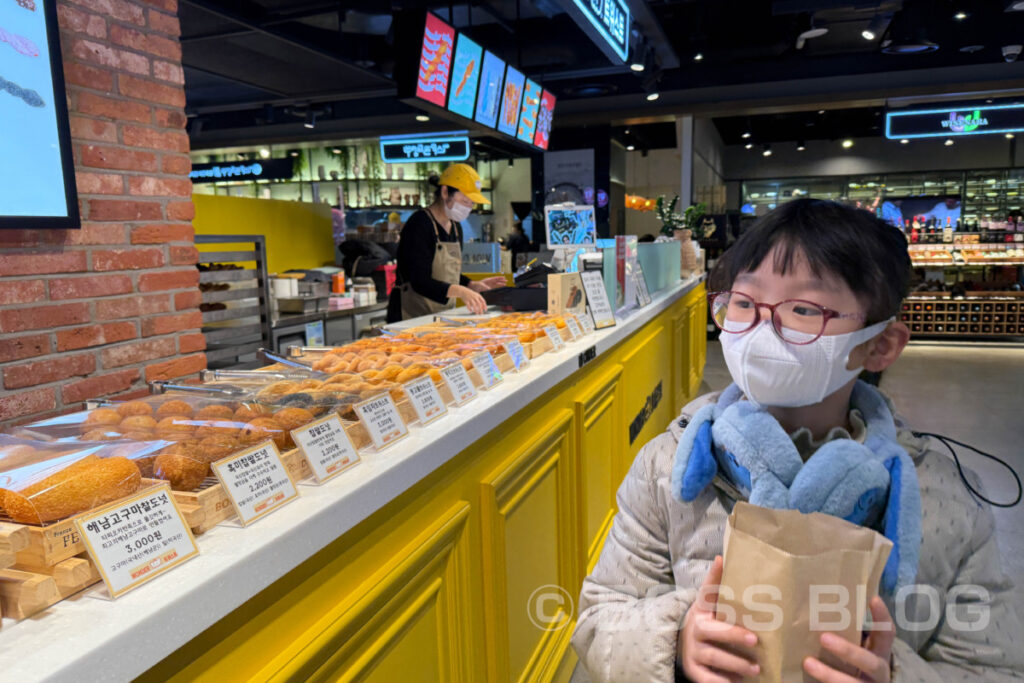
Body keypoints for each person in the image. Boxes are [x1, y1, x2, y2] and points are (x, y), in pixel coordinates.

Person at [571, 199, 1022, 682]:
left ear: (880, 344)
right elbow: (600, 619)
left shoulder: (945, 497)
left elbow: (991, 667)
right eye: (744, 302)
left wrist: (894, 675)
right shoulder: (668, 466)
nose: (764, 327)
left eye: (804, 308)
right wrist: (675, 641)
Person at [386, 163, 505, 322]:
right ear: (444, 192)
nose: (468, 208)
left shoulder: (456, 227)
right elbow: (419, 280)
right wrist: (461, 292)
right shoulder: (419, 224)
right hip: (410, 316)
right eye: (464, 200)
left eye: (471, 203)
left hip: (441, 315)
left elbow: (446, 274)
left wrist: (470, 284)